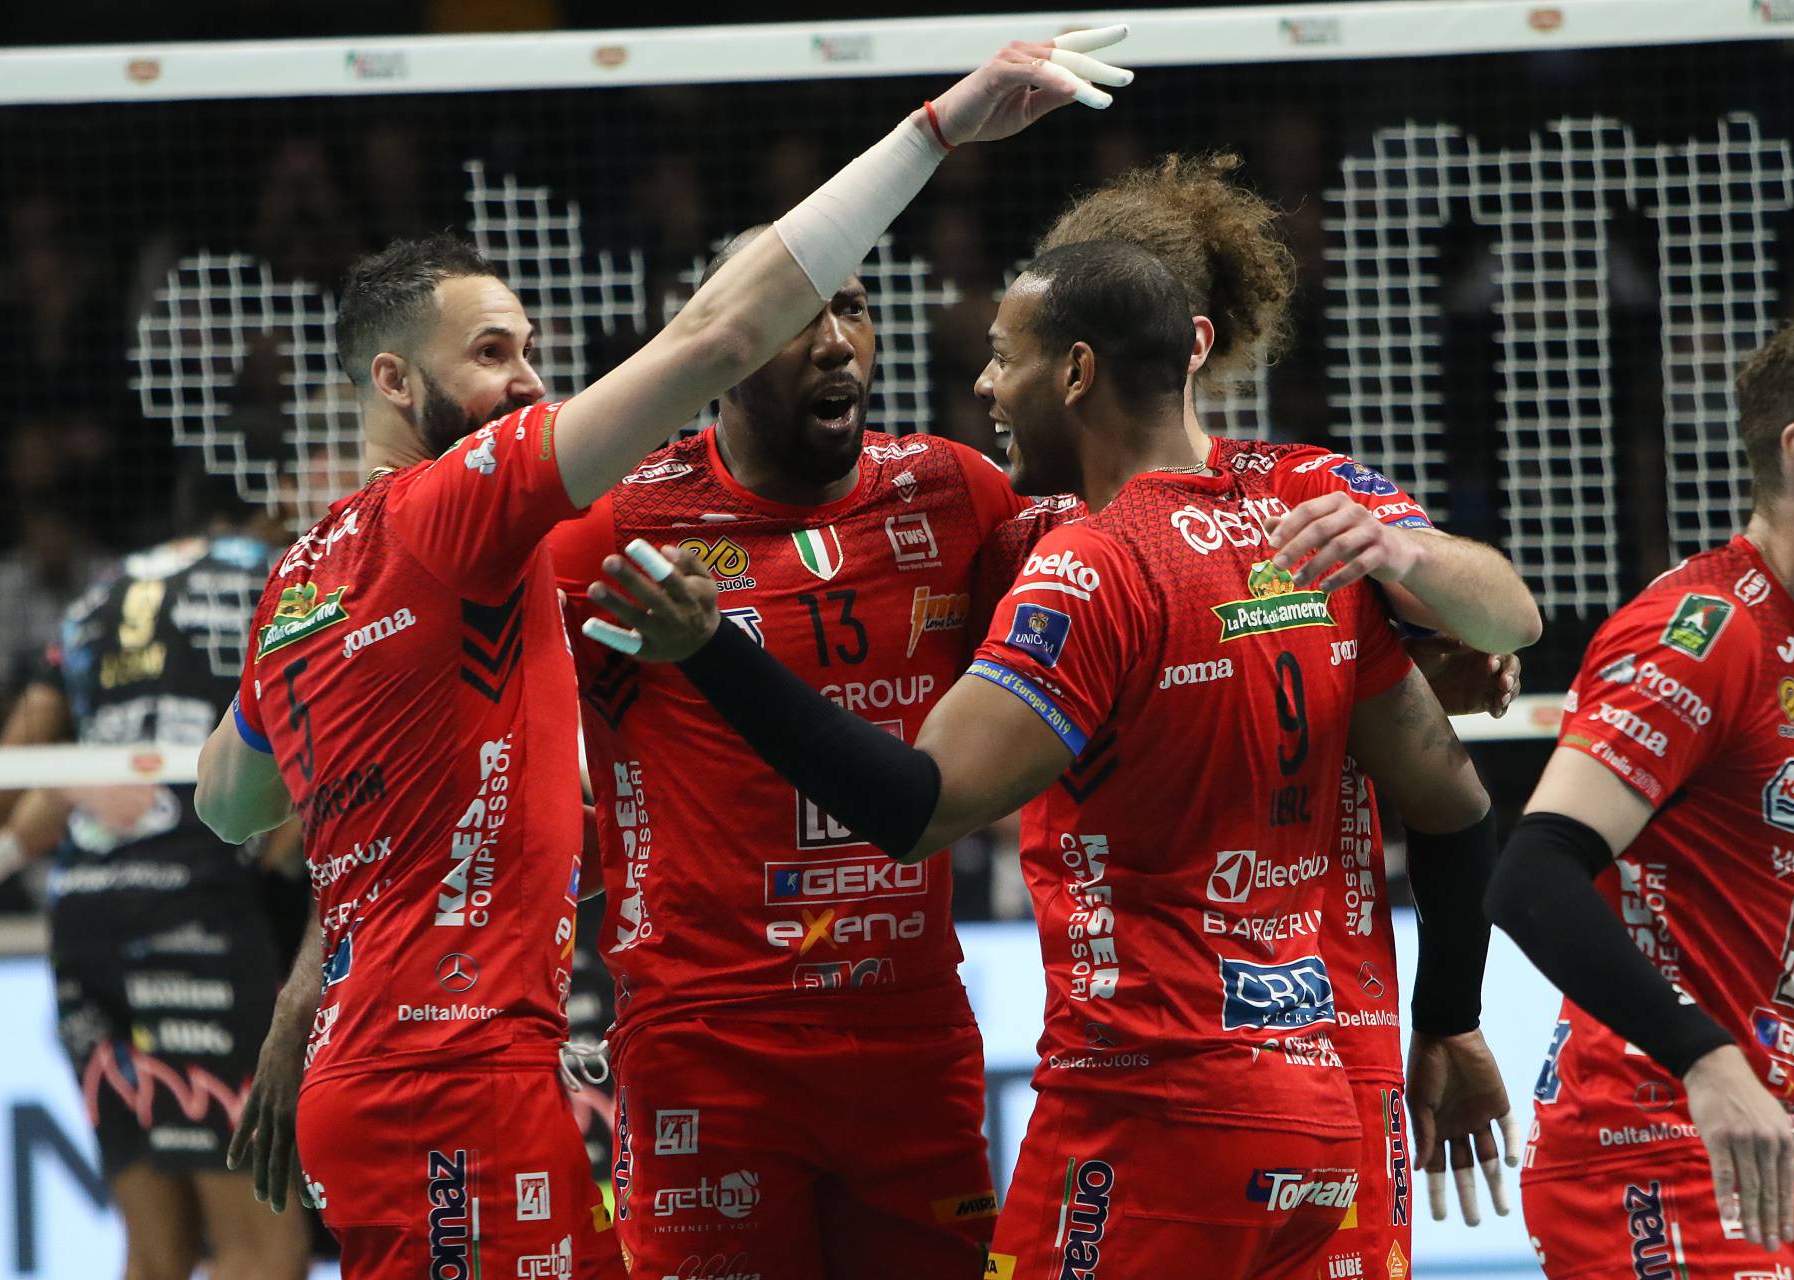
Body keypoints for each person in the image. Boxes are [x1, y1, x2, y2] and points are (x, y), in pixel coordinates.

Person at [191, 33, 1134, 1280]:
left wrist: (315, 987)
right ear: (392, 379)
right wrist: (939, 127)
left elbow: (252, 796)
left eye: (852, 307)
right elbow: (709, 337)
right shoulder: (538, 524)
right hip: (641, 1051)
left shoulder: (309, 577)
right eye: (493, 354)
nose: (529, 384)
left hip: (887, 1028)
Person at [583, 239, 1506, 1280]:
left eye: (1000, 355)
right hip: (1314, 1096)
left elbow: (919, 804)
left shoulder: (1067, 555)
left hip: (1147, 1095)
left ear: (1075, 371)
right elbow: (1476, 743)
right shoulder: (1301, 530)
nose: (982, 385)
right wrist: (1453, 1010)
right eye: (800, 312)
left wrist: (712, 649)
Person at [1033, 152, 1545, 1275]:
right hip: (1267, 1067)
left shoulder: (1304, 494)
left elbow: (1511, 618)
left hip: (1226, 1060)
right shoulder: (1053, 522)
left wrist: (1405, 560)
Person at [546, 226, 1028, 1278]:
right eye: (794, 316)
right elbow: (471, 711)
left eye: (850, 307)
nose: (835, 342)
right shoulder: (619, 527)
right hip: (708, 1035)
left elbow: (1104, 636)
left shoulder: (957, 493)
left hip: (911, 1029)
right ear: (717, 351)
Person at [1488, 309, 1794, 1280]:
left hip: (1749, 1148)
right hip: (1644, 1149)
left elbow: (1742, 967)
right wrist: (1705, 1057)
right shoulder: (1706, 630)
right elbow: (1530, 874)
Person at [0, 465, 310, 1280]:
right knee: (263, 1253)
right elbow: (307, 773)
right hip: (194, 918)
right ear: (274, 502)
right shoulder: (291, 576)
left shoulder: (99, 595)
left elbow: (15, 773)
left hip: (83, 926)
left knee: (156, 1252)